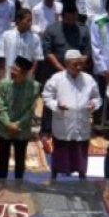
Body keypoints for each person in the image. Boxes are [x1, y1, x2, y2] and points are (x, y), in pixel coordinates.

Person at [42, 49, 100, 179]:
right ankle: (55, 175)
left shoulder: (88, 79)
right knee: (61, 150)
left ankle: (81, 174)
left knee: (80, 151)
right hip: (63, 120)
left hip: (81, 120)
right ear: (67, 64)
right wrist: (56, 105)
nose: (79, 67)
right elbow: (47, 96)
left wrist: (93, 104)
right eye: (75, 64)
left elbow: (97, 97)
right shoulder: (57, 78)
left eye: (80, 64)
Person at [0, 56, 40, 179]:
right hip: (4, 128)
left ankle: (19, 184)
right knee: (2, 159)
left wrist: (18, 125)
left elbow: (30, 111)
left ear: (24, 73)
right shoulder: (4, 84)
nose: (12, 72)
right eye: (12, 69)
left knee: (20, 160)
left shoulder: (34, 87)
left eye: (16, 70)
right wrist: (8, 124)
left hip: (22, 130)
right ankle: (1, 184)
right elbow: (0, 105)